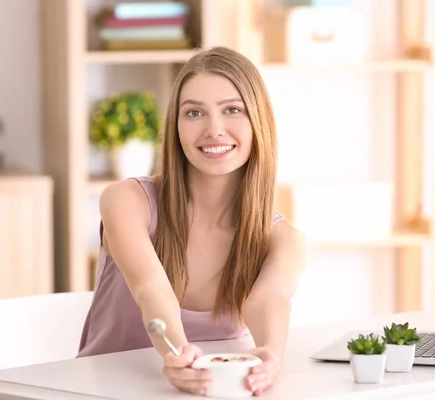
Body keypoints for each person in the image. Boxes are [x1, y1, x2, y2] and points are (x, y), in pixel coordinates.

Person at [77, 46, 306, 396]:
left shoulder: (283, 239)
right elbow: (151, 288)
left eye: (232, 110)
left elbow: (268, 299)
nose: (214, 130)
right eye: (194, 112)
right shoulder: (127, 201)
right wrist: (178, 355)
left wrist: (272, 355)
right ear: (176, 126)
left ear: (258, 120)